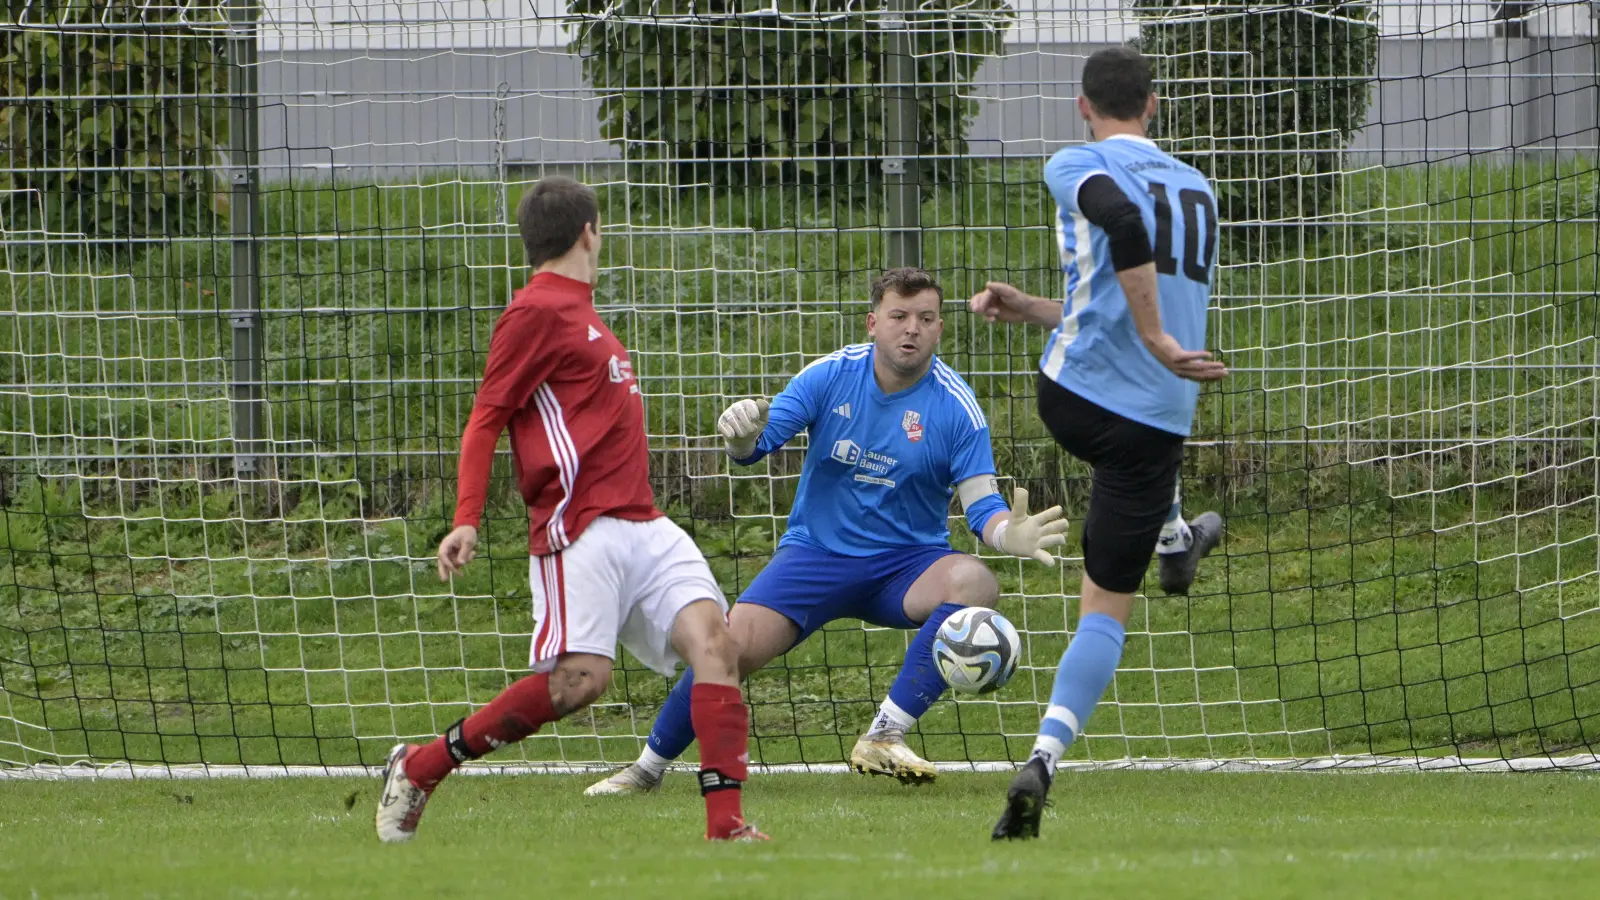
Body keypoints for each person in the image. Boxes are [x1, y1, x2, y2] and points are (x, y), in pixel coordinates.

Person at [374, 175, 765, 843]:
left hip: (645, 522)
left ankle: (725, 829)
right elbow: (485, 418)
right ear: (591, 231)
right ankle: (423, 766)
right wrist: (466, 514)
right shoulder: (536, 312)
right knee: (580, 682)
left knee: (718, 646)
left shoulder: (582, 314)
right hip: (578, 528)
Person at [585, 267, 1068, 795]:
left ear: (939, 329)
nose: (912, 329)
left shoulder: (956, 406)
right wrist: (741, 439)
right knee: (722, 649)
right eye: (899, 316)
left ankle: (884, 736)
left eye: (926, 318)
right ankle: (645, 771)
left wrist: (1006, 535)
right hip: (814, 556)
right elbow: (758, 444)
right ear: (872, 323)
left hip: (906, 567)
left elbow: (983, 507)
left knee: (976, 584)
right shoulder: (830, 375)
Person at [975, 46, 1228, 840]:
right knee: (1104, 614)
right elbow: (1133, 247)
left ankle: (1177, 536)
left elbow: (1119, 227)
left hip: (1073, 398)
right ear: (1153, 106)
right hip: (1154, 420)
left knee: (1136, 467)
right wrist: (1159, 339)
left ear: (1084, 106)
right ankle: (1045, 756)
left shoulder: (1075, 159)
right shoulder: (1201, 188)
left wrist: (1063, 317)